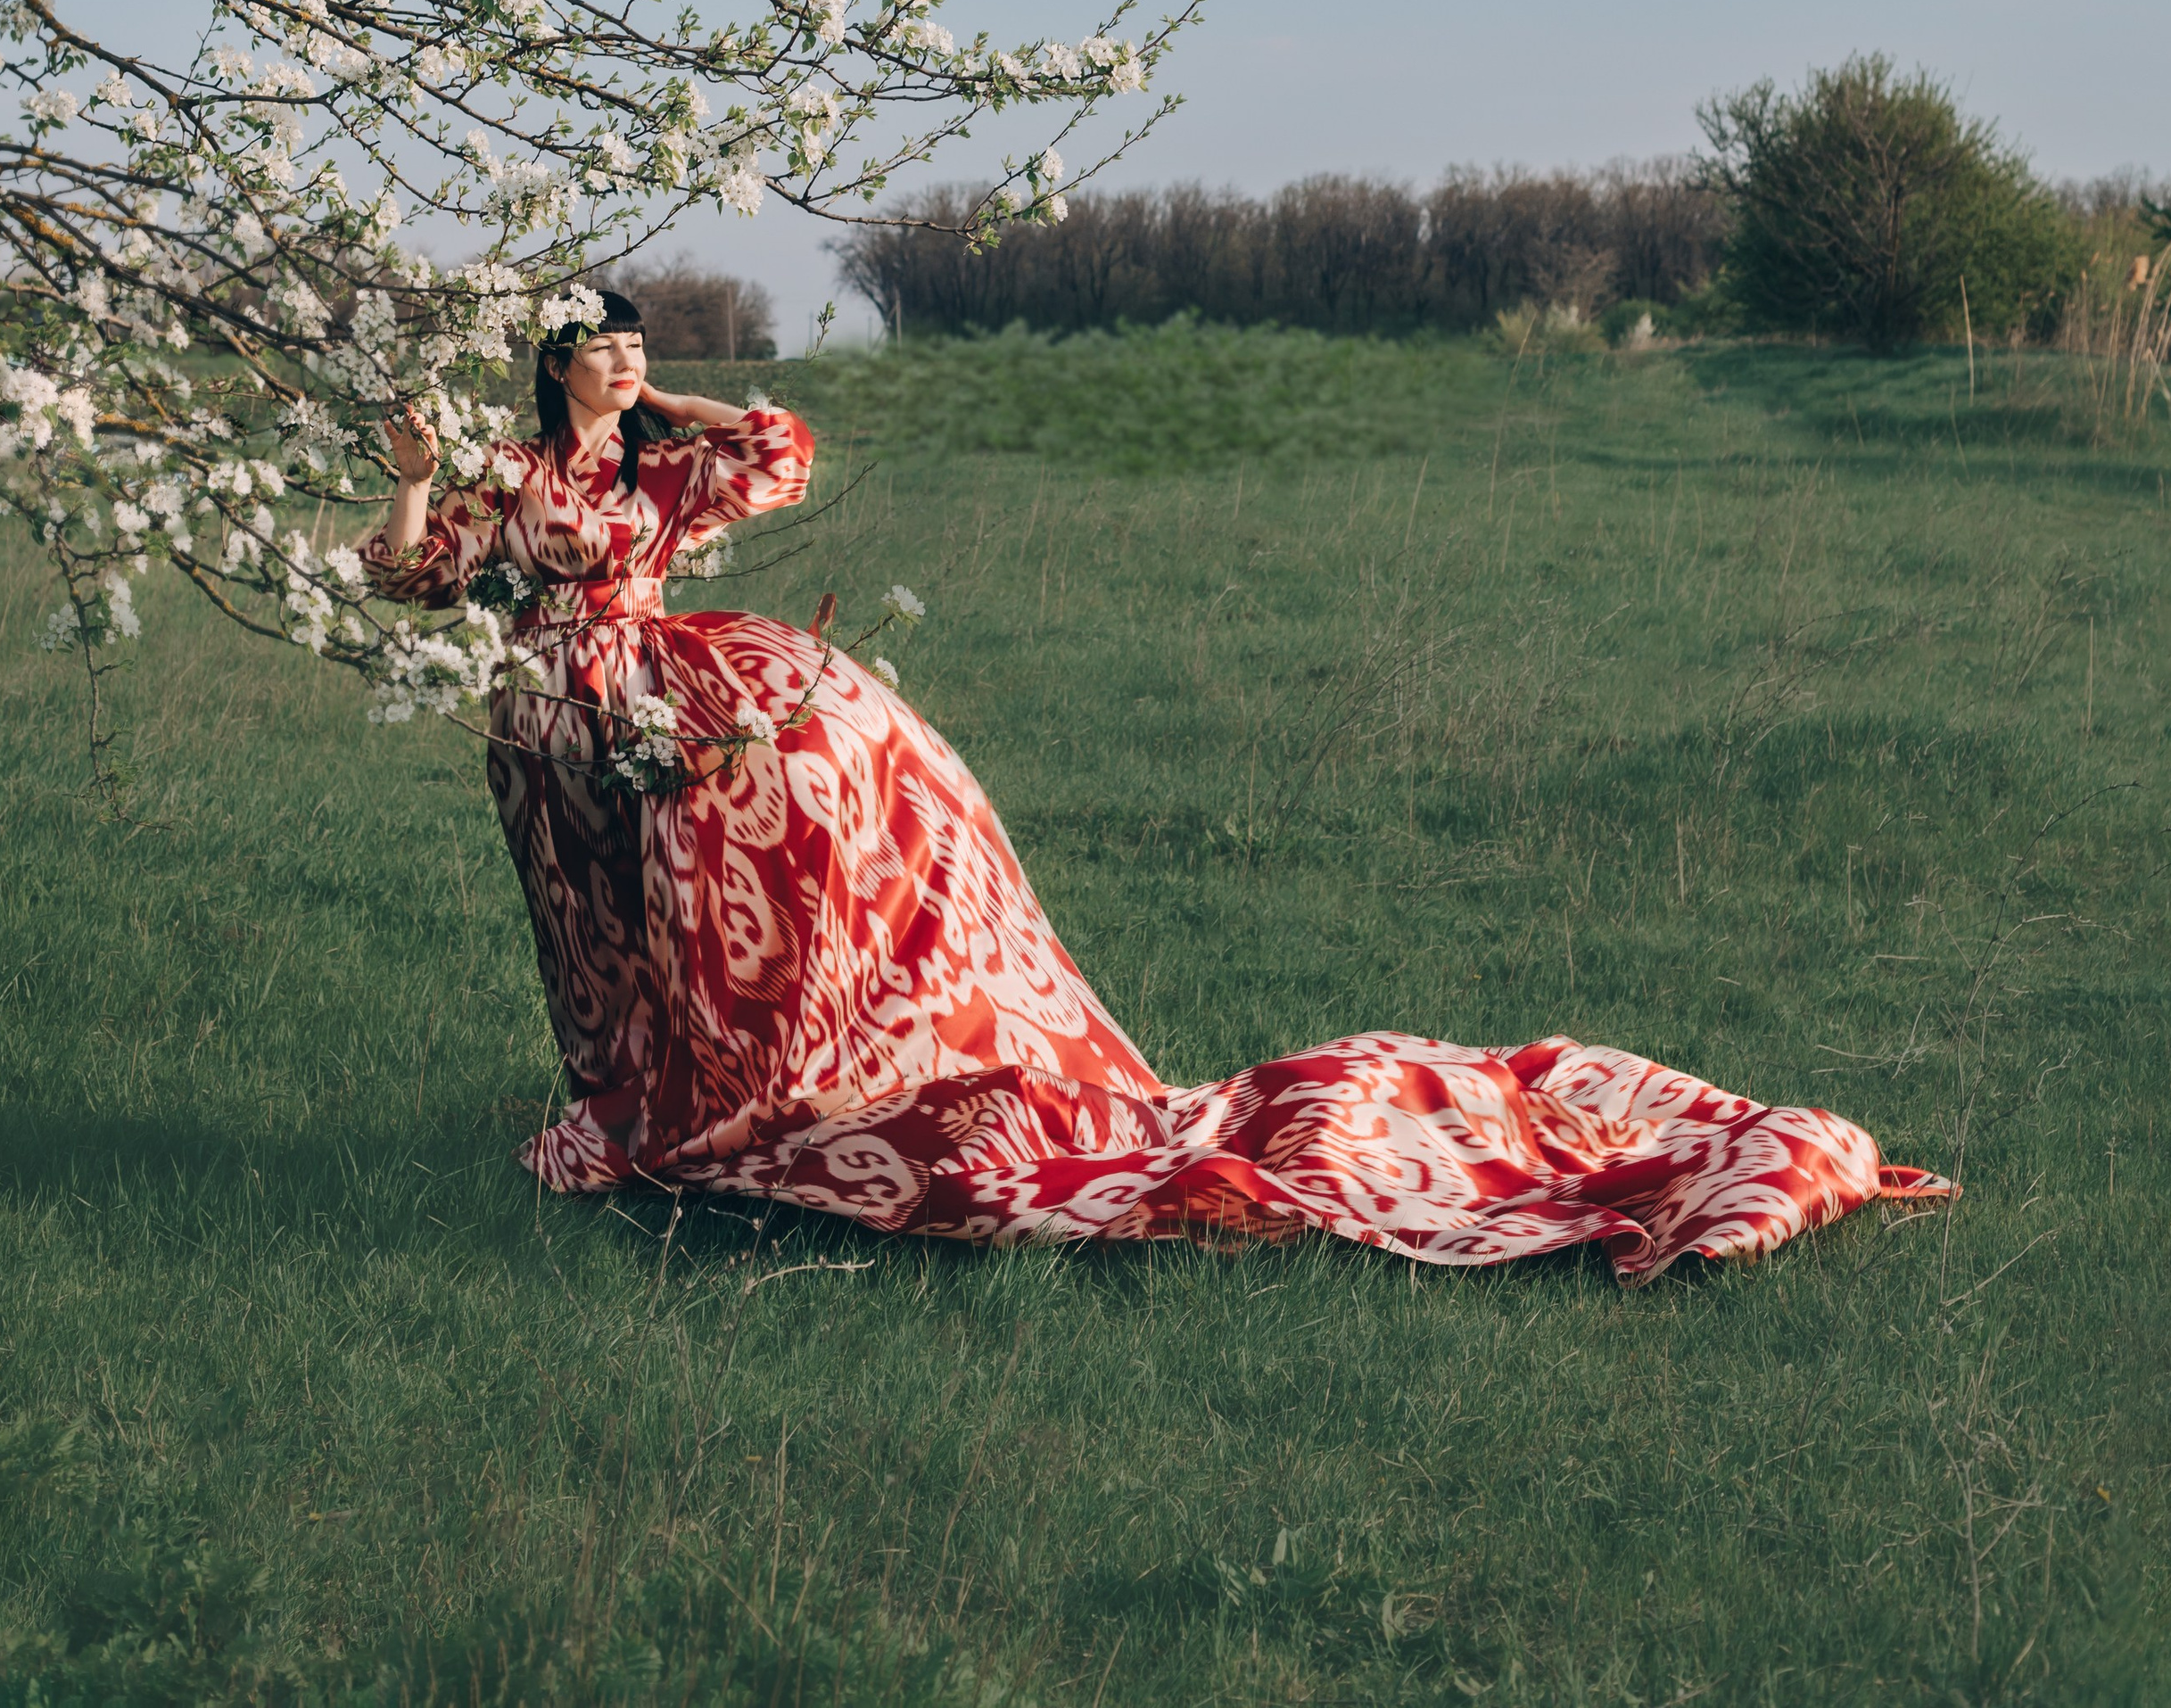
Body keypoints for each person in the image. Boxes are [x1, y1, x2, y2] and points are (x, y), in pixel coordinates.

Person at [367, 307, 1953, 1281]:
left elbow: (783, 451)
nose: (626, 361)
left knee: (784, 850)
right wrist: (421, 473)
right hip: (555, 716)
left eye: (638, 340)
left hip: (667, 680)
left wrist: (682, 409)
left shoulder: (655, 472)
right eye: (605, 345)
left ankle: (753, 1099)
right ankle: (646, 1105)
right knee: (606, 935)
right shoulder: (522, 481)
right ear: (552, 360)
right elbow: (414, 574)